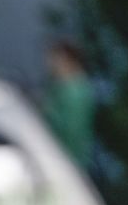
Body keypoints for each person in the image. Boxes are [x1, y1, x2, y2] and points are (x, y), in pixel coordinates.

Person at [41, 39, 96, 172]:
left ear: (70, 61)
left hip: (68, 169)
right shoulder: (63, 90)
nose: (50, 65)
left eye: (56, 60)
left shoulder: (74, 92)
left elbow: (71, 134)